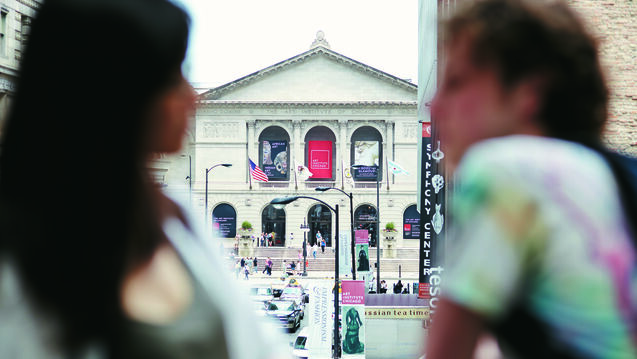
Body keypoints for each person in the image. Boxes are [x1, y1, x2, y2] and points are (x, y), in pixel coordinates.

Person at [0, 1, 290, 358]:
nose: (193, 97)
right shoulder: (20, 258)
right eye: (171, 79)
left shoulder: (177, 214)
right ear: (112, 95)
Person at [425, 1, 637, 359]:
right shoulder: (616, 176)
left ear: (529, 94)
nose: (435, 105)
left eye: (457, 83)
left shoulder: (507, 171)